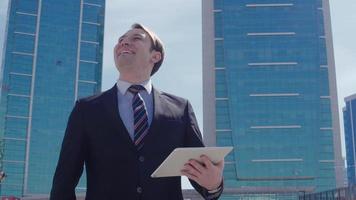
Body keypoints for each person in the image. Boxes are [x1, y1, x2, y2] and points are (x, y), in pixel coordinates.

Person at [50, 23, 224, 200]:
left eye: (136, 38)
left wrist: (213, 185)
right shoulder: (86, 109)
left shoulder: (181, 109)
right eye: (121, 40)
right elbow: (64, 180)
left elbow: (201, 173)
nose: (124, 42)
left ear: (155, 56)